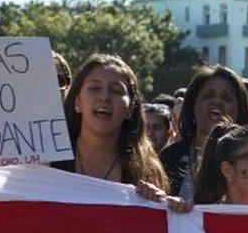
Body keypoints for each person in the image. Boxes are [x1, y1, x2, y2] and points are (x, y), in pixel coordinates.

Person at [157, 65, 248, 205]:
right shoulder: (170, 156)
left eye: (227, 98)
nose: (217, 102)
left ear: (240, 109)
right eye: (208, 96)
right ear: (192, 105)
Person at [50, 54, 174, 197]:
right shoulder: (48, 163)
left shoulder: (147, 171)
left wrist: (162, 203)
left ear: (130, 109)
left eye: (116, 91)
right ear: (77, 102)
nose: (104, 97)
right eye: (95, 88)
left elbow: (163, 216)